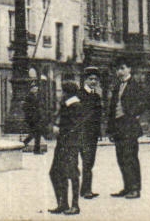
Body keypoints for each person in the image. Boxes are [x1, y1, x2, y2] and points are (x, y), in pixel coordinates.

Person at [107, 62, 146, 198]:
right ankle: (127, 186)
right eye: (118, 68)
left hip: (129, 126)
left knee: (131, 157)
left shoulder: (136, 85)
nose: (120, 71)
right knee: (121, 158)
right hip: (118, 127)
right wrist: (110, 129)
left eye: (123, 68)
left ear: (129, 68)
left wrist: (133, 112)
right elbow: (112, 108)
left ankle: (135, 188)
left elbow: (148, 101)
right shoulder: (117, 86)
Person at [49, 80, 85, 215]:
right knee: (56, 173)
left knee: (72, 173)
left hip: (70, 145)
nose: (60, 94)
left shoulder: (75, 106)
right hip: (62, 144)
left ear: (67, 93)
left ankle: (75, 205)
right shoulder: (66, 105)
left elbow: (75, 127)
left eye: (62, 91)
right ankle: (63, 203)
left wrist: (60, 130)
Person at [76, 68, 104, 200]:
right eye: (90, 79)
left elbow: (98, 116)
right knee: (85, 161)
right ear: (85, 80)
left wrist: (99, 132)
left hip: (92, 134)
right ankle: (84, 190)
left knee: (89, 162)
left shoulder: (96, 96)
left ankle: (86, 189)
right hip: (81, 133)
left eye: (95, 79)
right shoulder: (79, 95)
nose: (93, 82)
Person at [21, 80, 45, 154]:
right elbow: (26, 108)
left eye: (36, 88)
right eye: (33, 88)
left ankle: (33, 148)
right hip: (32, 118)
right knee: (35, 133)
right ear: (31, 89)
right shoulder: (29, 97)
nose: (35, 89)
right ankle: (24, 145)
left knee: (36, 133)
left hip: (36, 118)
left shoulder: (35, 96)